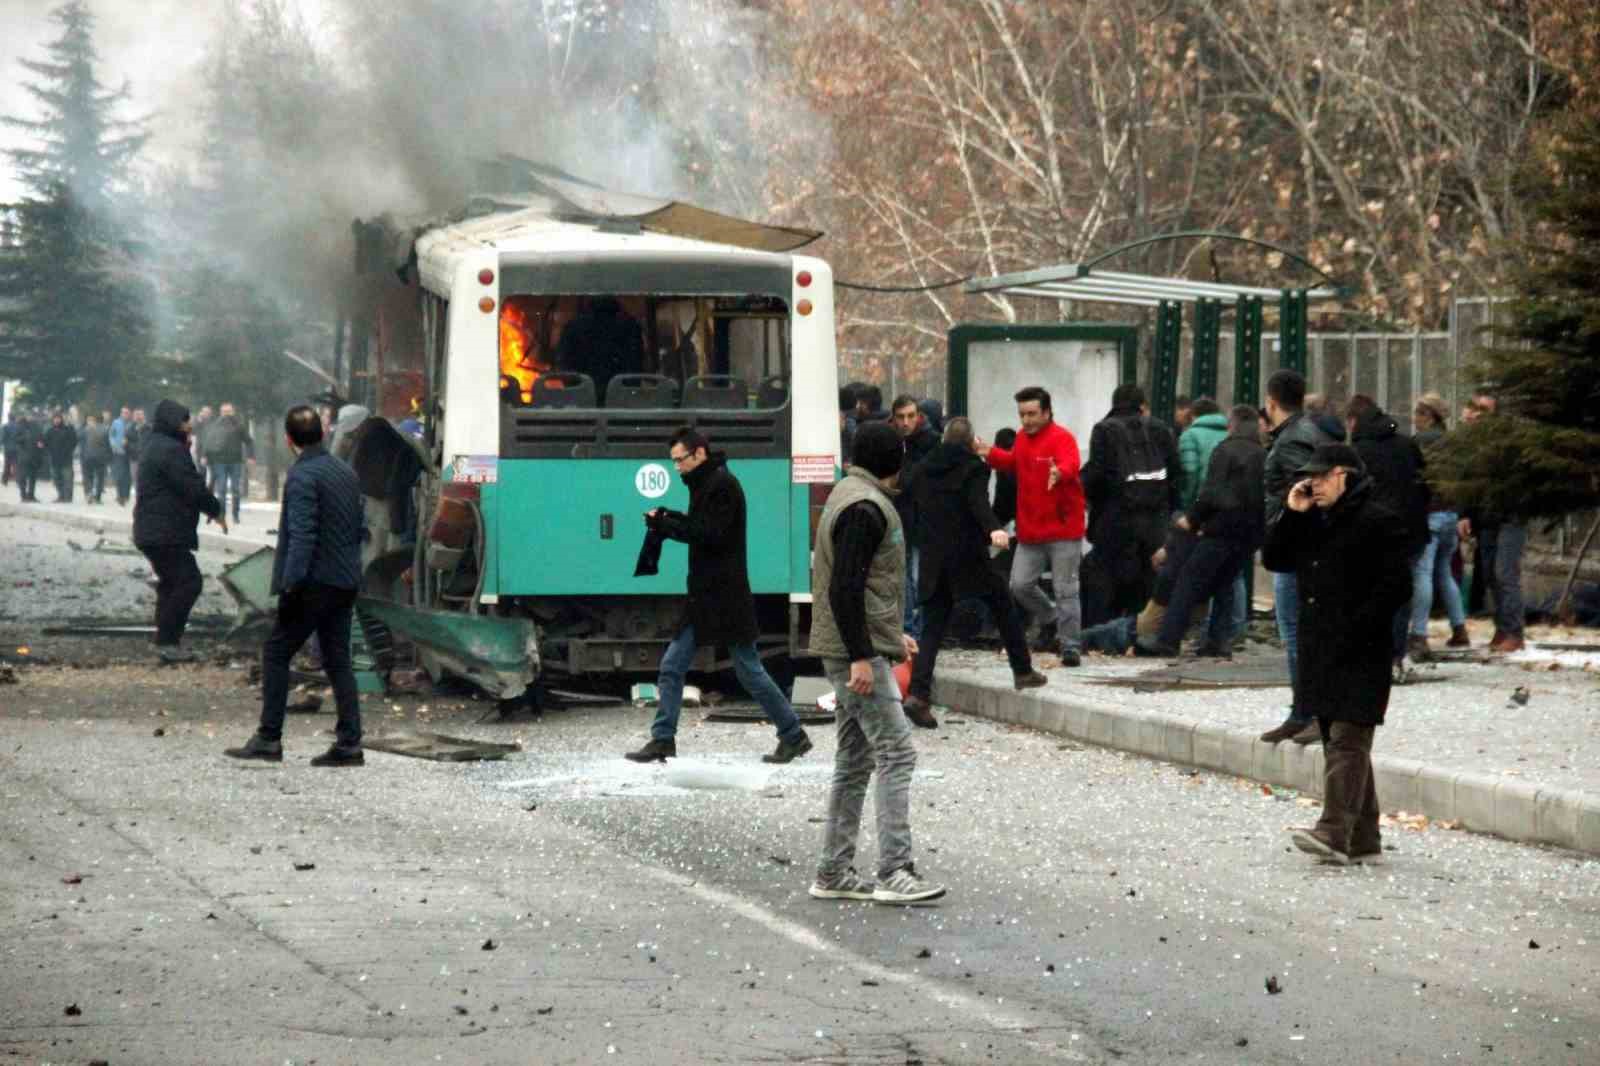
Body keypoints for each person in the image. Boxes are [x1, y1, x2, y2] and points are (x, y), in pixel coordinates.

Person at [806, 420, 945, 905]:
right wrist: (864, 656)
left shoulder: (848, 495)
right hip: (852, 656)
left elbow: (860, 590)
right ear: (897, 460)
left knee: (854, 760)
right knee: (896, 752)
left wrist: (889, 636)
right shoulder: (867, 509)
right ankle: (895, 871)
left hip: (848, 648)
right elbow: (845, 588)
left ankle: (834, 871)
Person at [1263, 443, 1412, 865]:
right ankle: (1363, 836)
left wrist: (1360, 625)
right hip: (1322, 648)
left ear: (1344, 474)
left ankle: (1332, 830)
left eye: (1321, 477)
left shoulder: (1378, 519)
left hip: (1362, 647)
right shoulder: (1315, 518)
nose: (1312, 484)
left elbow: (1397, 586)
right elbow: (1276, 558)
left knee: (1348, 737)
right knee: (1337, 737)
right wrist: (1292, 513)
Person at [625, 428, 812, 764]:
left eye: (680, 460)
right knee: (674, 665)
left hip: (724, 597)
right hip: (708, 596)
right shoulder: (708, 483)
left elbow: (709, 534)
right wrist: (668, 518)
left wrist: (667, 525)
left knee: (747, 670)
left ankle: (793, 734)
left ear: (699, 454)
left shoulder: (721, 486)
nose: (676, 468)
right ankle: (663, 738)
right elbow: (701, 526)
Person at [225, 406, 368, 766]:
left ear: (289, 440)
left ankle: (268, 738)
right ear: (321, 432)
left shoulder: (303, 476)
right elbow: (358, 528)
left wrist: (289, 585)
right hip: (344, 580)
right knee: (338, 661)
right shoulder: (344, 472)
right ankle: (350, 744)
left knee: (276, 652)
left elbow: (303, 536)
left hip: (313, 583)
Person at [902, 417, 1047, 725]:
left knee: (933, 626)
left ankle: (918, 694)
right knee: (1003, 604)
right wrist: (995, 529)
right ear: (971, 442)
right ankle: (1022, 670)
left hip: (932, 557)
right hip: (967, 556)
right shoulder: (974, 467)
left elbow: (909, 498)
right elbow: (978, 504)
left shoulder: (924, 467)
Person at [1137, 404, 1266, 658]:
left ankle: (1168, 640)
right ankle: (1219, 642)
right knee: (1224, 583)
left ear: (1232, 425)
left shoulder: (1225, 450)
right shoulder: (1262, 454)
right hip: (1249, 533)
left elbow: (1211, 492)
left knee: (1189, 580)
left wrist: (1193, 520)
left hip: (1221, 529)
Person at [1257, 370, 1338, 745]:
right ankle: (1303, 711)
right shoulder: (1309, 432)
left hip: (1296, 549)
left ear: (1271, 401)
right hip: (1302, 548)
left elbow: (1305, 493)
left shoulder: (1291, 441)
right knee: (1300, 632)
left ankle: (1307, 713)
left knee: (1296, 633)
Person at [980, 386, 1087, 666]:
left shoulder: (1062, 438)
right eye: (1022, 414)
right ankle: (1050, 617)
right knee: (1019, 585)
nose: (1026, 420)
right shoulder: (1021, 439)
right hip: (1031, 530)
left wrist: (1059, 472)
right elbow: (1012, 462)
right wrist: (988, 452)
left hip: (1063, 529)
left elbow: (1071, 464)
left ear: (1047, 413)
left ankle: (1070, 645)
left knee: (1066, 589)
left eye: (1032, 414)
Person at [132, 400, 228, 663]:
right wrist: (216, 509)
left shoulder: (154, 443)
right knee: (189, 582)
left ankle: (165, 642)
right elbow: (191, 486)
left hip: (153, 529)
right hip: (164, 531)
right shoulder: (171, 450)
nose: (189, 425)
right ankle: (168, 642)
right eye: (184, 420)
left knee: (171, 583)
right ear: (173, 422)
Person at [1345, 394, 1429, 679]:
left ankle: (1373, 656)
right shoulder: (1407, 444)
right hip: (1410, 531)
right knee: (1400, 594)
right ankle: (1396, 655)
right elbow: (1424, 484)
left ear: (1353, 420)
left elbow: (1353, 494)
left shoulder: (1357, 451)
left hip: (1373, 533)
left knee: (1369, 594)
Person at [1080, 383, 1181, 620]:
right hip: (1155, 521)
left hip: (1114, 519)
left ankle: (1102, 633)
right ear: (1142, 405)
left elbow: (1097, 475)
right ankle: (1141, 634)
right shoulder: (1160, 429)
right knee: (1148, 579)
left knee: (1106, 577)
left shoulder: (1104, 430)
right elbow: (1176, 473)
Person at [1457, 392, 1526, 653]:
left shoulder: (1507, 443)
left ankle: (1514, 631)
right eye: (1472, 408)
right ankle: (1502, 627)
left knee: (1504, 572)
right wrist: (1464, 514)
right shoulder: (1470, 444)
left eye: (1482, 410)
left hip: (1510, 515)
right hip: (1485, 518)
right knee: (1489, 575)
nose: (1474, 414)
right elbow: (1467, 480)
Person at [1408, 393, 1469, 657]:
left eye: (1417, 414)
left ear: (1428, 416)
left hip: (1430, 516)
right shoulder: (1455, 443)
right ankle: (1459, 629)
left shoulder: (1418, 443)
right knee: (1444, 573)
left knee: (1422, 574)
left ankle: (1419, 635)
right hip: (1451, 515)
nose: (1414, 419)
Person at [891, 394, 939, 640]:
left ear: (919, 417)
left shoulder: (931, 442)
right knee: (905, 575)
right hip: (902, 516)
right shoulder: (893, 441)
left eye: (910, 416)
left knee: (917, 577)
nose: (906, 422)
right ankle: (910, 629)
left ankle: (916, 630)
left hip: (923, 518)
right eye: (901, 417)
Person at [553, 295, 643, 403]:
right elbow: (636, 365)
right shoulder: (630, 327)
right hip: (623, 401)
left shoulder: (573, 327)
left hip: (581, 400)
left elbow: (565, 366)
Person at [207, 402, 255, 525]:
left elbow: (249, 441)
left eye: (229, 412)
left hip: (235, 461)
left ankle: (235, 515)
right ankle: (222, 514)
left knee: (235, 489)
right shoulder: (215, 426)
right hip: (219, 462)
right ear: (220, 413)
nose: (226, 414)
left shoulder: (239, 425)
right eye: (224, 412)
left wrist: (250, 456)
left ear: (233, 412)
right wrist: (206, 456)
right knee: (221, 489)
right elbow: (208, 442)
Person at [1176, 398, 1225, 511]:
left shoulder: (1189, 436)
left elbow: (1190, 473)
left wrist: (1185, 503)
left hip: (1200, 503)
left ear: (1193, 415)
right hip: (1224, 503)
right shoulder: (1229, 434)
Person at [43, 412, 78, 502]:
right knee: (56, 478)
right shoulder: (50, 431)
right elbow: (45, 442)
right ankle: (61, 495)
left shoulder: (68, 429)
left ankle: (67, 497)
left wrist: (69, 450)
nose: (57, 420)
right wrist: (48, 450)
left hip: (66, 459)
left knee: (67, 479)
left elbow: (74, 441)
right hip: (54, 459)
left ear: (61, 419)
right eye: (55, 418)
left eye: (58, 418)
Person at [80, 412, 112, 504]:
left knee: (88, 476)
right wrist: (110, 456)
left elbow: (81, 442)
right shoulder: (106, 430)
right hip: (101, 457)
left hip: (88, 456)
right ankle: (97, 497)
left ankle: (89, 492)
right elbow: (108, 444)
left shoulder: (86, 429)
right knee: (100, 477)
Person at [110, 405, 133, 505]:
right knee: (119, 475)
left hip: (130, 453)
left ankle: (126, 495)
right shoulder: (116, 423)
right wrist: (114, 445)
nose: (125, 415)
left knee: (127, 476)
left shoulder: (131, 424)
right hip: (118, 452)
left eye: (127, 413)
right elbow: (111, 435)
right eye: (123, 413)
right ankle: (120, 495)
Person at [1, 409, 18, 486]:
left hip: (8, 448)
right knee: (16, 464)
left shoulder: (5, 426)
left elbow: (2, 438)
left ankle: (5, 480)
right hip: (17, 448)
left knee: (7, 464)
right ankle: (18, 480)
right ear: (15, 418)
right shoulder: (18, 427)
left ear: (8, 417)